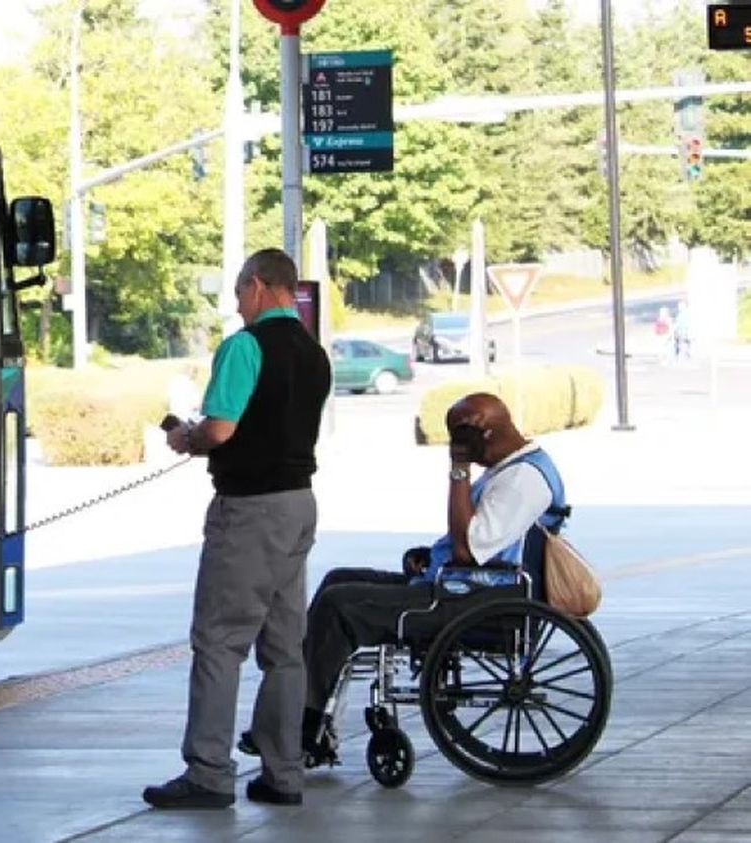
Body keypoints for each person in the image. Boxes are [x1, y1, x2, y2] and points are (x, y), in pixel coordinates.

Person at [266, 392, 567, 760]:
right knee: (337, 579)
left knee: (339, 604)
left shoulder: (522, 479)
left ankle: (304, 723)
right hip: (463, 585)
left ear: (484, 434)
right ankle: (303, 710)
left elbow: (468, 550)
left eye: (458, 437)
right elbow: (476, 542)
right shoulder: (512, 468)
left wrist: (458, 470)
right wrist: (431, 555)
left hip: (474, 600)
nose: (455, 445)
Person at [142, 248, 332, 810]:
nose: (235, 303)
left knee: (220, 642)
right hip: (300, 504)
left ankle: (208, 772)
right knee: (284, 647)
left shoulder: (244, 346)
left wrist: (187, 438)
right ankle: (284, 772)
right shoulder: (313, 353)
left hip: (249, 510)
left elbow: (221, 430)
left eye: (237, 291)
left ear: (256, 285)